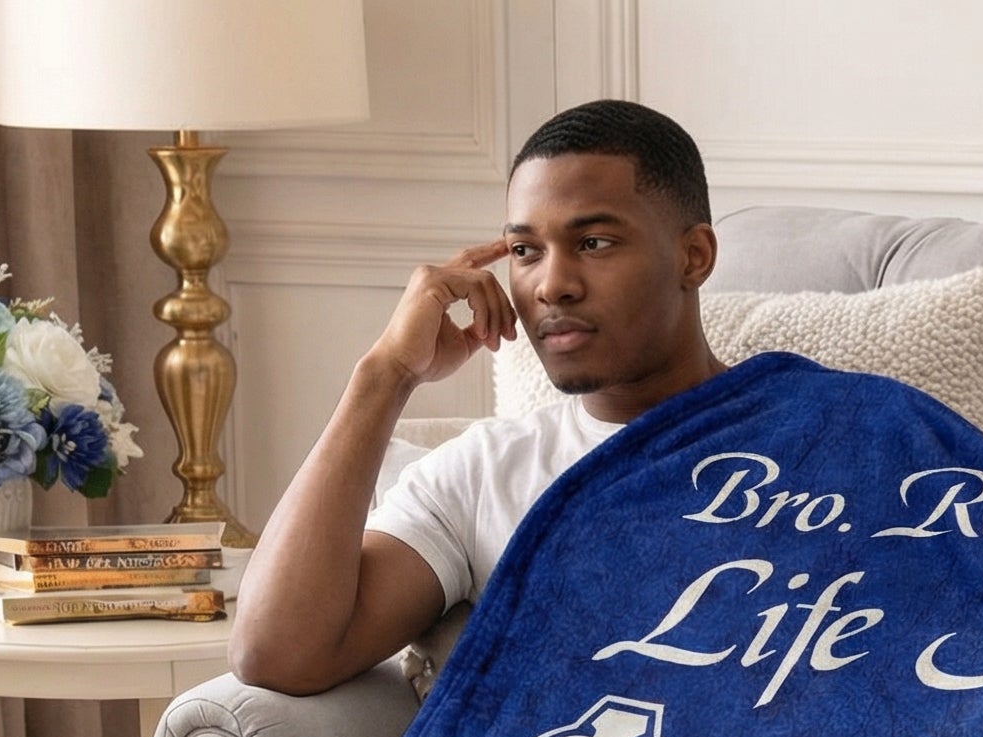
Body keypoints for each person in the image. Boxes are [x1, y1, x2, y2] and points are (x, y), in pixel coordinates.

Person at [228, 101, 724, 697]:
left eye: (593, 242)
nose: (551, 285)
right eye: (524, 251)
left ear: (693, 257)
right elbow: (275, 652)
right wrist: (385, 375)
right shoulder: (484, 473)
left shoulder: (820, 433)